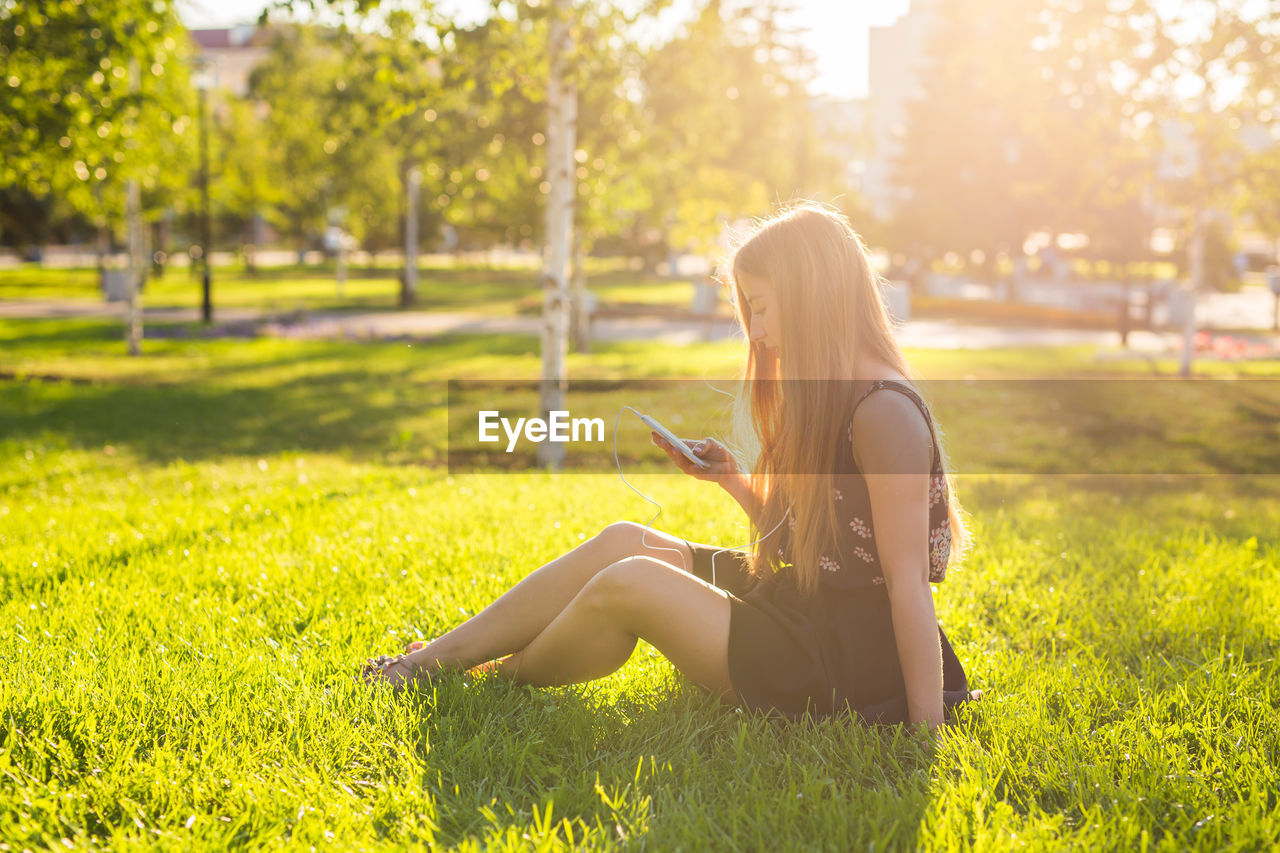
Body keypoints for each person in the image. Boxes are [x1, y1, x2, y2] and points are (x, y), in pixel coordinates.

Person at [362, 202, 978, 730]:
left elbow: (905, 583)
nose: (756, 331)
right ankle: (435, 660)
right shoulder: (829, 391)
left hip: (841, 660)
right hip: (804, 606)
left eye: (762, 308)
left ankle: (484, 672)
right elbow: (816, 546)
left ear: (812, 294)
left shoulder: (883, 413)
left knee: (631, 581)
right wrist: (735, 481)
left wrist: (925, 734)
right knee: (624, 541)